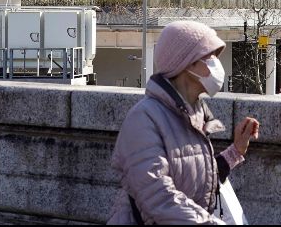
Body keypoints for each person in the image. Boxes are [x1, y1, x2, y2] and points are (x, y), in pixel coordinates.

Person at [108, 20, 260, 225]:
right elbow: (157, 198)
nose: (216, 63)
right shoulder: (143, 118)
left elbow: (198, 179)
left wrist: (235, 151)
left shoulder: (194, 114)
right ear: (187, 63)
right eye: (210, 56)